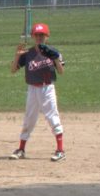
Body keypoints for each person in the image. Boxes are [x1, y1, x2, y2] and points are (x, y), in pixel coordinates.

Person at [8, 22, 65, 162]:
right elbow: (13, 70)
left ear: (47, 36)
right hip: (32, 89)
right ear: (33, 36)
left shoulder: (53, 51)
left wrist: (56, 58)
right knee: (28, 120)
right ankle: (21, 149)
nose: (39, 37)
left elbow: (61, 72)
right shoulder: (28, 54)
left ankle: (60, 151)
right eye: (37, 35)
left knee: (53, 118)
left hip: (47, 88)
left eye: (42, 35)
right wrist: (17, 56)